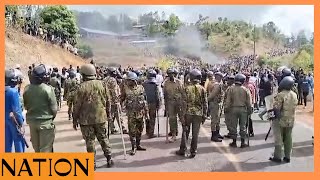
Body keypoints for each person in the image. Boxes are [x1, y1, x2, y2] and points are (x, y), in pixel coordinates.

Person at [73, 64, 114, 169]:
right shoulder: (102, 84)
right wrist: (109, 115)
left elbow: (76, 106)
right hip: (101, 117)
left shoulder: (81, 87)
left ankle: (93, 163)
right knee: (103, 138)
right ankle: (109, 158)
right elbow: (108, 101)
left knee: (90, 141)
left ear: (84, 74)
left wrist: (74, 119)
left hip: (85, 120)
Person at [23, 64, 57, 152]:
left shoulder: (26, 89)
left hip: (32, 123)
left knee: (37, 150)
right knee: (45, 150)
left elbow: (26, 105)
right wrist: (50, 118)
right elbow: (54, 109)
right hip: (45, 124)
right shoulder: (48, 89)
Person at [176, 69, 208, 158]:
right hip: (198, 114)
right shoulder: (203, 89)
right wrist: (204, 115)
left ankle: (182, 150)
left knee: (185, 132)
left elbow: (183, 103)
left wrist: (182, 116)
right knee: (195, 134)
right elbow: (205, 103)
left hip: (188, 113)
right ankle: (193, 151)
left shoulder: (186, 88)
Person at [269, 76, 298, 163]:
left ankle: (277, 157)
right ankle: (287, 156)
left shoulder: (280, 95)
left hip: (280, 120)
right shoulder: (294, 94)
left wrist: (271, 117)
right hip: (291, 119)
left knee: (279, 138)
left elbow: (276, 108)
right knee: (288, 137)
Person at [121, 71, 149, 155]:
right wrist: (119, 103)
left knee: (140, 130)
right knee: (132, 131)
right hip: (131, 114)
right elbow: (121, 98)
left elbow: (145, 101)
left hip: (140, 113)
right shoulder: (125, 88)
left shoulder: (141, 88)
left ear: (134, 80)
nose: (127, 81)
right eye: (127, 80)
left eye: (129, 80)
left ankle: (138, 144)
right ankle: (133, 147)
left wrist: (146, 113)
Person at [225, 73, 252, 148]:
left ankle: (234, 142)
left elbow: (228, 100)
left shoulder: (231, 89)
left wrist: (226, 108)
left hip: (233, 109)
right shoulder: (245, 90)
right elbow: (249, 102)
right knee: (242, 126)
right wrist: (250, 110)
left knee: (233, 126)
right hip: (243, 109)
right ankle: (243, 143)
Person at [5, 69, 26, 153]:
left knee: (7, 144)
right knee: (19, 143)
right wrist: (21, 123)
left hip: (4, 119)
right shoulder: (13, 92)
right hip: (13, 121)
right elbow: (16, 111)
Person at [163, 68, 184, 142]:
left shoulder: (179, 82)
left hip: (179, 103)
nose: (170, 75)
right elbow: (165, 94)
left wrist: (183, 104)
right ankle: (174, 134)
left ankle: (185, 134)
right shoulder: (166, 83)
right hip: (170, 103)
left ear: (174, 74)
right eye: (169, 74)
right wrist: (165, 106)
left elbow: (183, 93)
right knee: (172, 119)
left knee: (182, 118)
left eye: (172, 74)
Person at [104, 67, 128, 134]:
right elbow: (114, 92)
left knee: (110, 116)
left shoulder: (104, 79)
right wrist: (117, 100)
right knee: (119, 115)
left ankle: (112, 129)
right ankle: (123, 128)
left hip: (107, 101)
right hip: (114, 101)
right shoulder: (113, 80)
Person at [143, 69, 161, 138]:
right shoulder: (155, 85)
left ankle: (148, 132)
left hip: (145, 103)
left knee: (147, 118)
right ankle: (151, 133)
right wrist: (158, 104)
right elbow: (158, 96)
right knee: (152, 118)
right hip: (153, 103)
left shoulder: (144, 84)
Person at [207, 72, 224, 142]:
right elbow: (212, 95)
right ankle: (214, 135)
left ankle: (217, 133)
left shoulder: (211, 83)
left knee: (217, 119)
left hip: (216, 103)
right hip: (215, 103)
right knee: (215, 120)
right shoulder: (217, 85)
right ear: (218, 77)